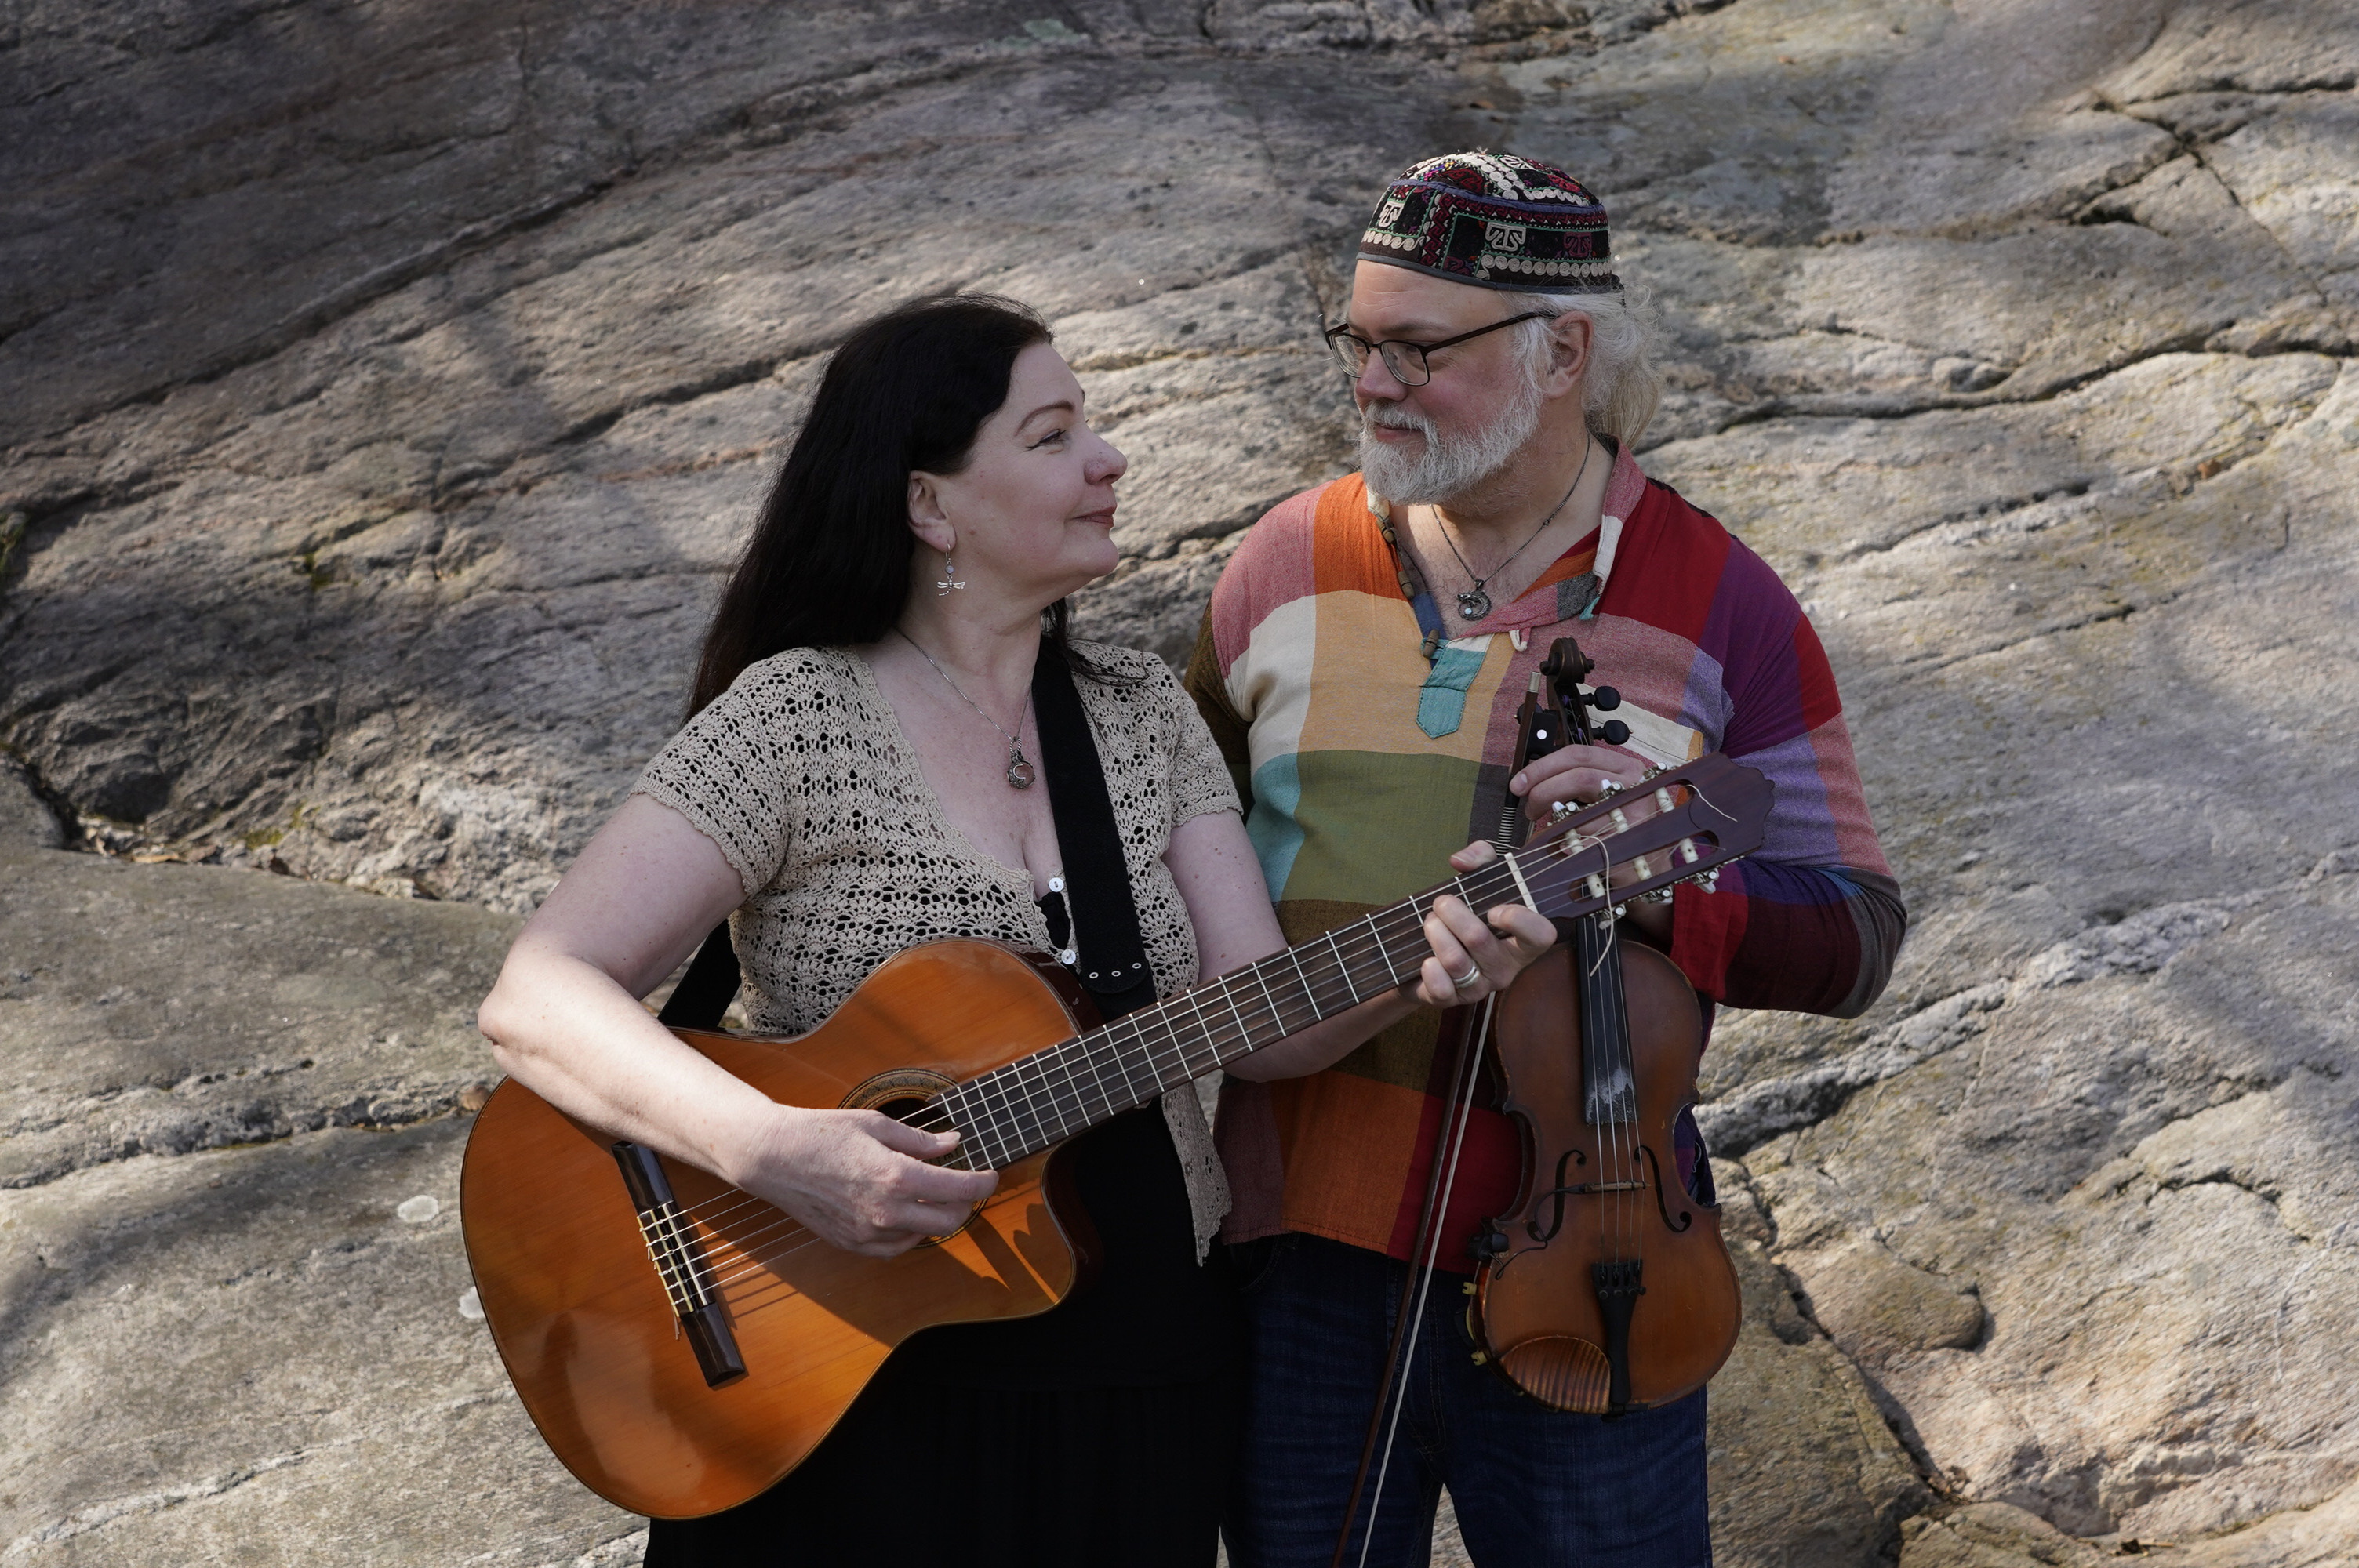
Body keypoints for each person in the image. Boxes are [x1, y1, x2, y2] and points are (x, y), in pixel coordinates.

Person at [474, 292, 1557, 1568]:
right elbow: (538, 997)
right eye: (1052, 437)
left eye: (1091, 428)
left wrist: (1428, 958)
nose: (1109, 460)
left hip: (1136, 1367)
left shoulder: (1140, 712)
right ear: (931, 505)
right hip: (840, 1370)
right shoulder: (795, 721)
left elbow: (1257, 1019)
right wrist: (777, 1151)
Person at [1187, 153, 1909, 1566]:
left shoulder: (1723, 600)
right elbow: (1167, 871)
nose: (1373, 383)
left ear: (1562, 351)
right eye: (1359, 341)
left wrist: (1666, 881)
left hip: (1608, 1258)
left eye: (1418, 348)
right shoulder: (1279, 564)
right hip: (1299, 1259)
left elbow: (1856, 935)